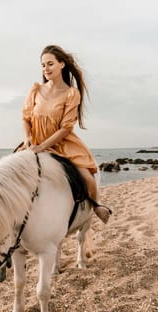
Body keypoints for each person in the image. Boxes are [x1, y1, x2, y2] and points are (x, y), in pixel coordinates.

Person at [19, 44, 111, 224]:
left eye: (50, 64)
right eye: (43, 65)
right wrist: (28, 139)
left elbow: (66, 128)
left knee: (86, 176)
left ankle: (97, 205)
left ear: (62, 64)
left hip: (61, 144)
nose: (46, 68)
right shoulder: (36, 90)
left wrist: (43, 147)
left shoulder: (71, 93)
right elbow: (25, 118)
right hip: (34, 143)